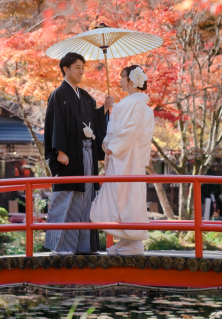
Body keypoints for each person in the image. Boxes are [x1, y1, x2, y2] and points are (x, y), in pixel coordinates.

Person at [43, 52, 113, 255]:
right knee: (67, 198)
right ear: (65, 69)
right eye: (77, 67)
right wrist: (60, 151)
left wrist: (104, 109)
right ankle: (62, 246)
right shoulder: (58, 94)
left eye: (83, 67)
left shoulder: (85, 96)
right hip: (69, 155)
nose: (81, 71)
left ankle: (85, 246)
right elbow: (54, 124)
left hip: (88, 154)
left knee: (87, 198)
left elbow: (94, 117)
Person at [90, 65, 155, 256]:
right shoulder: (129, 102)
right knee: (120, 195)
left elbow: (131, 131)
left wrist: (112, 147)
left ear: (131, 80)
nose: (119, 80)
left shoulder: (139, 104)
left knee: (129, 195)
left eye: (122, 76)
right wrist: (110, 107)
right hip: (121, 156)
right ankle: (125, 239)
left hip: (129, 157)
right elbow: (117, 127)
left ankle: (135, 241)